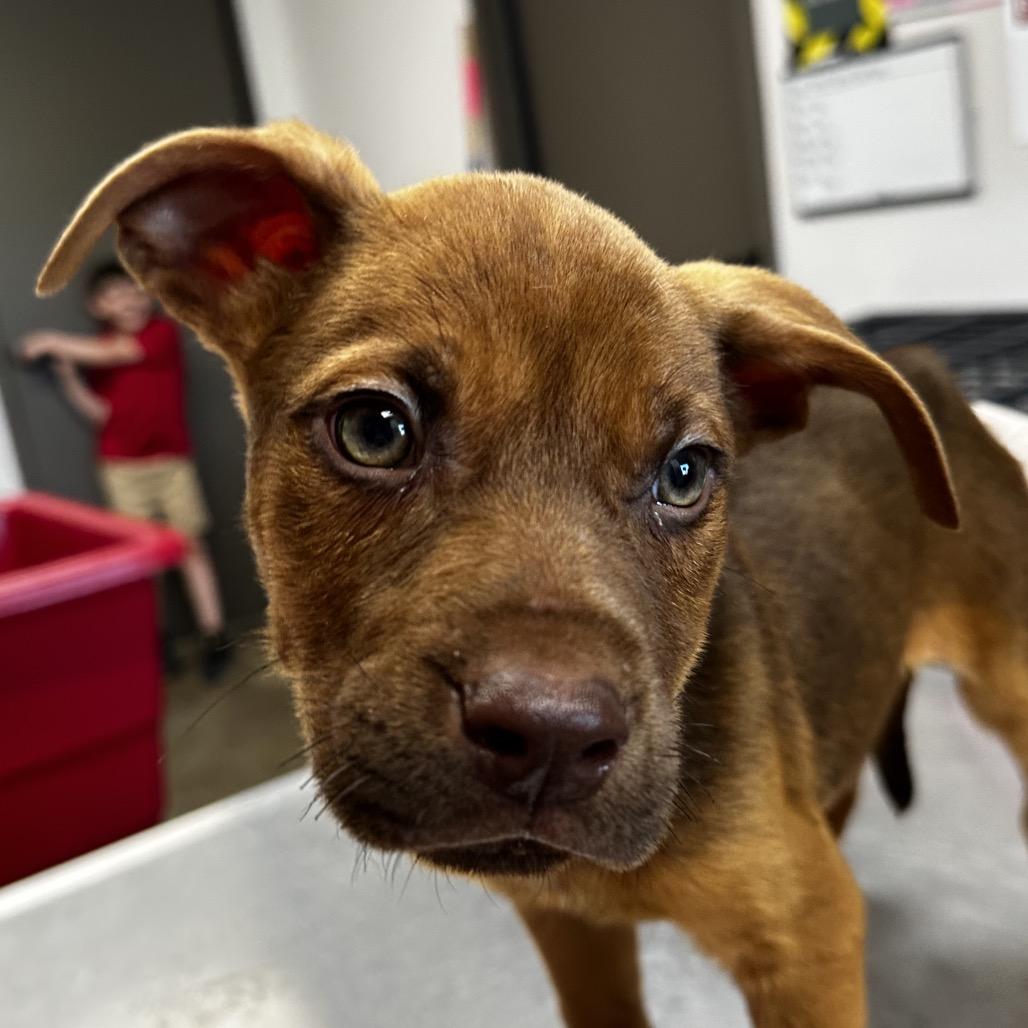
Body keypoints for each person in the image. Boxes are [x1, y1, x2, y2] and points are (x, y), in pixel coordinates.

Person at [22, 261, 232, 680]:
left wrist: (50, 342)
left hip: (171, 464)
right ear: (97, 305)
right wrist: (70, 381)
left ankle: (214, 637)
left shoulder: (160, 335)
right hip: (122, 469)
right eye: (116, 294)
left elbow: (119, 351)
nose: (130, 300)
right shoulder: (98, 351)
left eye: (136, 291)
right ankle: (158, 645)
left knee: (192, 547)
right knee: (141, 561)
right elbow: (103, 414)